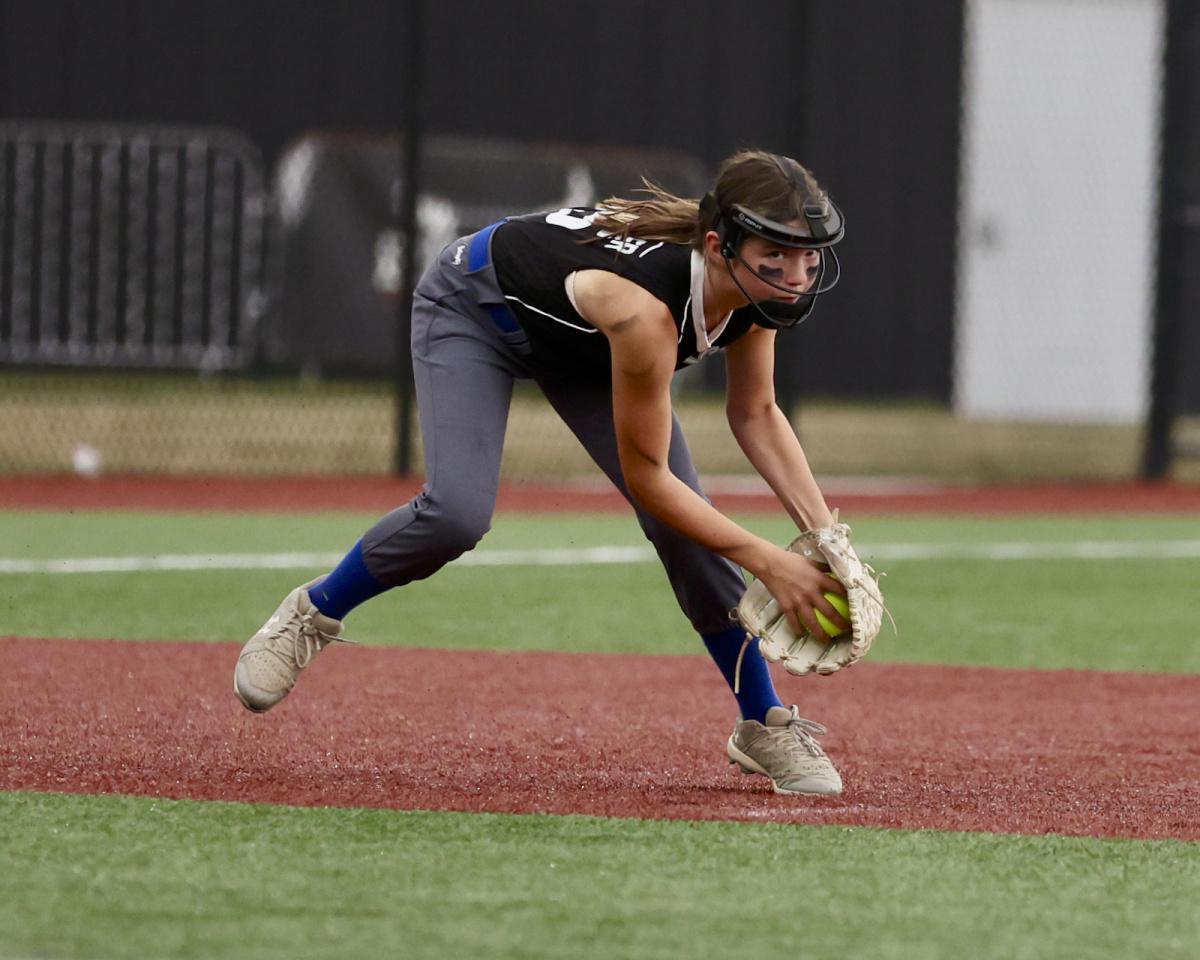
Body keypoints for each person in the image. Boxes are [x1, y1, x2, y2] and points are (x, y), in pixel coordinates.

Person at [234, 148, 855, 796]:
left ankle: (762, 720)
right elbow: (650, 481)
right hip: (475, 309)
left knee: (688, 534)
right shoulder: (646, 310)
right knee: (456, 514)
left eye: (808, 257)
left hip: (583, 345)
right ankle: (312, 613)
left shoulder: (756, 293)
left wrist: (825, 537)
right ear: (717, 245)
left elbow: (755, 412)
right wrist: (771, 562)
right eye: (776, 256)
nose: (796, 276)